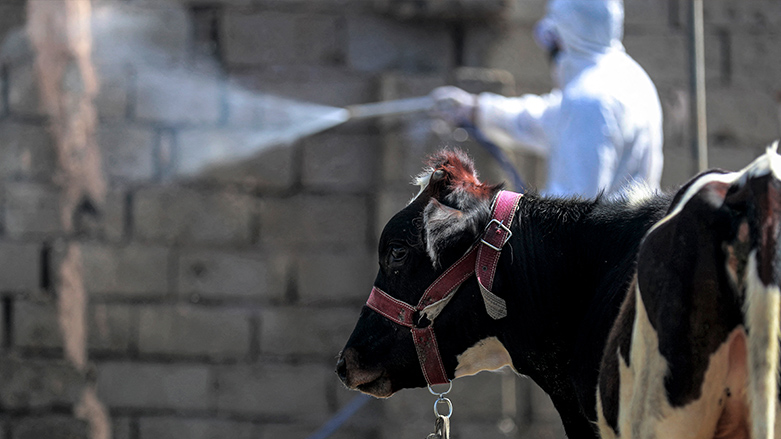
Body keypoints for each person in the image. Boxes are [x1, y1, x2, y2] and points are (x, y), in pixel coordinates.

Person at [431, 0, 663, 198]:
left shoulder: (588, 100)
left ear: (561, 36)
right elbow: (546, 119)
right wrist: (476, 109)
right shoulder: (631, 78)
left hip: (601, 249)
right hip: (633, 241)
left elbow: (570, 208)